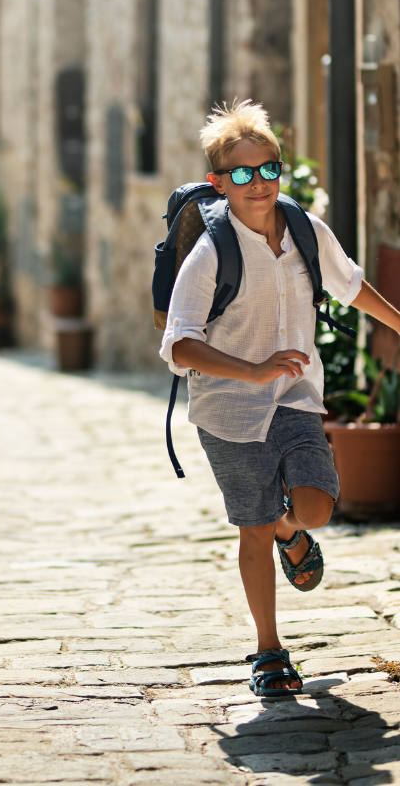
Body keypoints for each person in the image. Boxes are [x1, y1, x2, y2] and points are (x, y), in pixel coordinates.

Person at [162, 100, 400, 696]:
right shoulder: (211, 253)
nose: (258, 184)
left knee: (317, 508)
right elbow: (178, 346)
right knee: (253, 527)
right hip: (225, 411)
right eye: (241, 174)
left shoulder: (304, 230)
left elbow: (351, 286)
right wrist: (249, 370)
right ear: (219, 183)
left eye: (268, 169)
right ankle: (269, 650)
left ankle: (293, 533)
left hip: (293, 395)